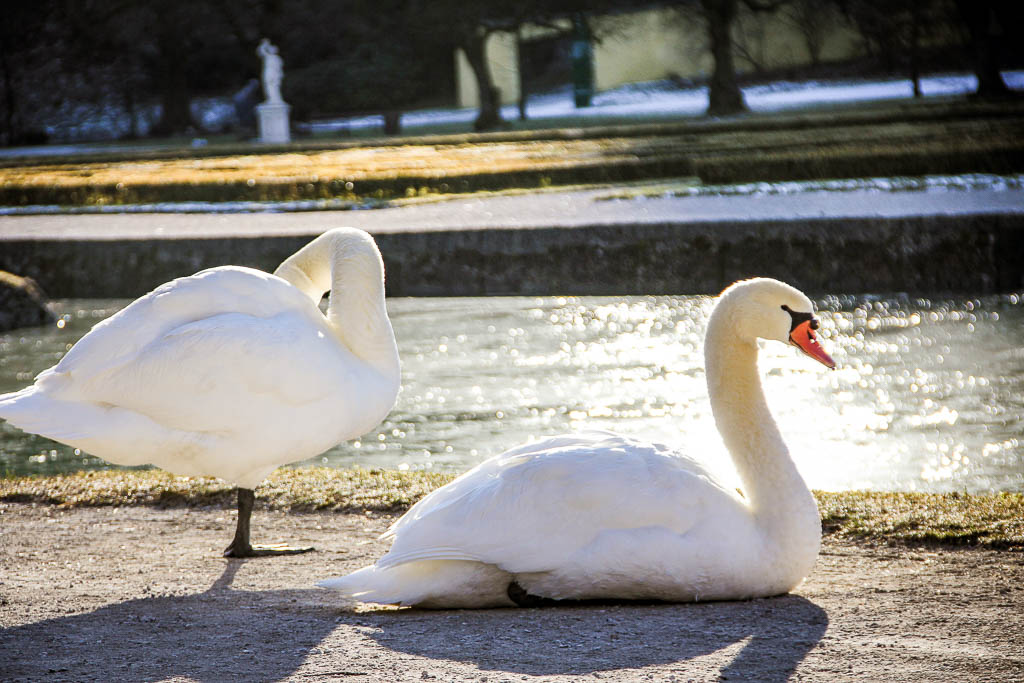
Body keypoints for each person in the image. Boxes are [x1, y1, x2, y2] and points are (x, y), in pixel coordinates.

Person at [257, 38, 284, 104]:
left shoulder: (276, 58)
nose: (271, 50)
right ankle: (271, 99)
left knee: (274, 86)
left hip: (274, 73)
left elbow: (279, 69)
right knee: (268, 85)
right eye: (270, 49)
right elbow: (261, 51)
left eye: (272, 49)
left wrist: (279, 75)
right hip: (268, 72)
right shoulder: (268, 57)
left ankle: (275, 99)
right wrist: (264, 44)